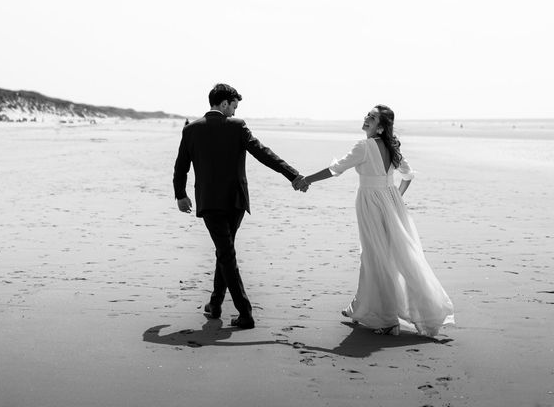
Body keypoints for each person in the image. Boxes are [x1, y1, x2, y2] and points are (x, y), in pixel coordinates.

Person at [303, 105, 454, 336]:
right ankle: (359, 308)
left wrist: (307, 180)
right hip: (390, 203)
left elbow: (336, 169)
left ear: (381, 127)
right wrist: (394, 199)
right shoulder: (391, 148)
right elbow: (408, 176)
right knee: (383, 256)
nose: (366, 119)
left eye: (372, 118)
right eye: (367, 115)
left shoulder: (364, 146)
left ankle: (387, 319)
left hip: (371, 205)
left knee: (374, 257)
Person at [173, 84, 308, 329]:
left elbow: (180, 167)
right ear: (224, 103)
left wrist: (180, 195)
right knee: (226, 253)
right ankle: (235, 309)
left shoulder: (191, 130)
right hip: (235, 201)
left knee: (225, 253)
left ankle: (225, 307)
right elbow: (263, 153)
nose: (235, 112)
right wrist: (292, 175)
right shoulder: (237, 127)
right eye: (233, 106)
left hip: (210, 202)